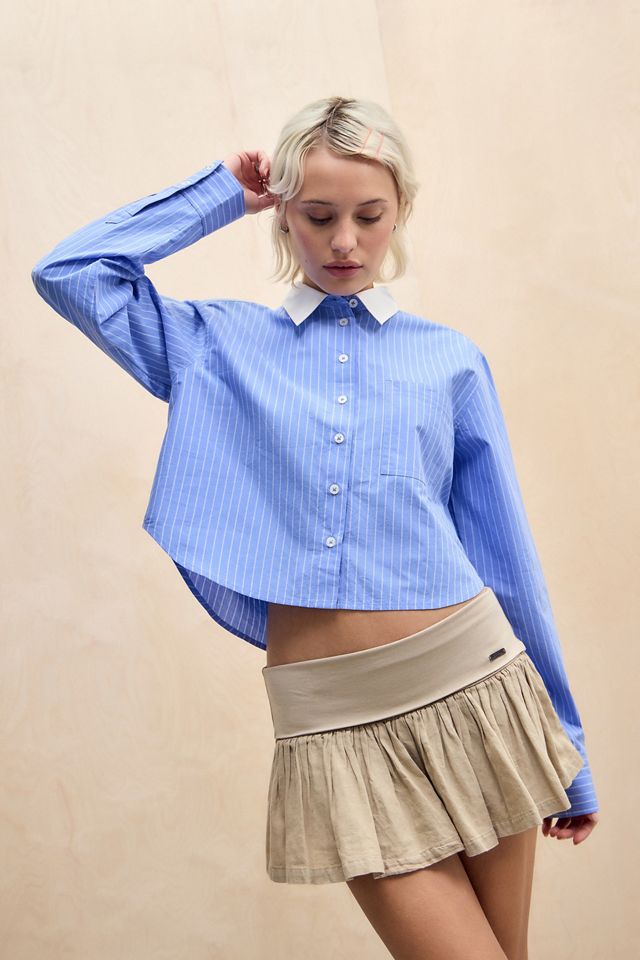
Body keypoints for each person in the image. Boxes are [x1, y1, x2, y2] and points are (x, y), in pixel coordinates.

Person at [31, 95, 599, 960]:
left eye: (369, 216)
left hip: (479, 690)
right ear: (283, 214)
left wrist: (569, 745)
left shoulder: (449, 359)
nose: (344, 242)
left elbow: (506, 557)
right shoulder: (211, 345)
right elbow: (70, 273)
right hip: (334, 722)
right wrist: (219, 193)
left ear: (400, 211)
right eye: (318, 214)